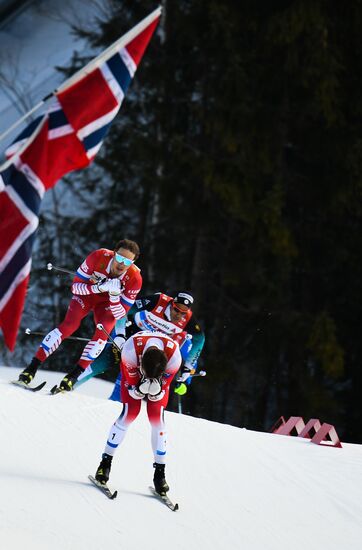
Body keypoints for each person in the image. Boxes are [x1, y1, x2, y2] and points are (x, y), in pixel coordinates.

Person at [18, 239, 142, 391]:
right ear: (113, 254)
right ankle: (31, 369)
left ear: (133, 262)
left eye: (127, 261)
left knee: (102, 334)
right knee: (69, 326)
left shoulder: (135, 279)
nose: (121, 264)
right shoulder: (99, 256)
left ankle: (72, 377)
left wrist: (115, 296)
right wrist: (99, 287)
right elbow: (75, 288)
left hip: (108, 305)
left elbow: (120, 313)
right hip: (87, 295)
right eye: (119, 258)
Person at [94, 330, 182, 494]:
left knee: (157, 420)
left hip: (158, 376)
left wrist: (157, 390)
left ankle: (160, 474)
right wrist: (135, 388)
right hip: (133, 369)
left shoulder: (174, 357)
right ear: (141, 364)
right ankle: (104, 464)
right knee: (130, 413)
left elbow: (164, 385)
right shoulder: (130, 351)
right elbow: (131, 383)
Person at [85, 291, 205, 398]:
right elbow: (125, 309)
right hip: (134, 330)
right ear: (171, 304)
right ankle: (74, 380)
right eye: (176, 310)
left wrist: (185, 377)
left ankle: (119, 402)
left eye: (183, 313)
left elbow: (196, 346)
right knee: (109, 359)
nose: (178, 315)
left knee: (142, 369)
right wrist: (120, 334)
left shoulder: (187, 328)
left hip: (153, 345)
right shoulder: (157, 301)